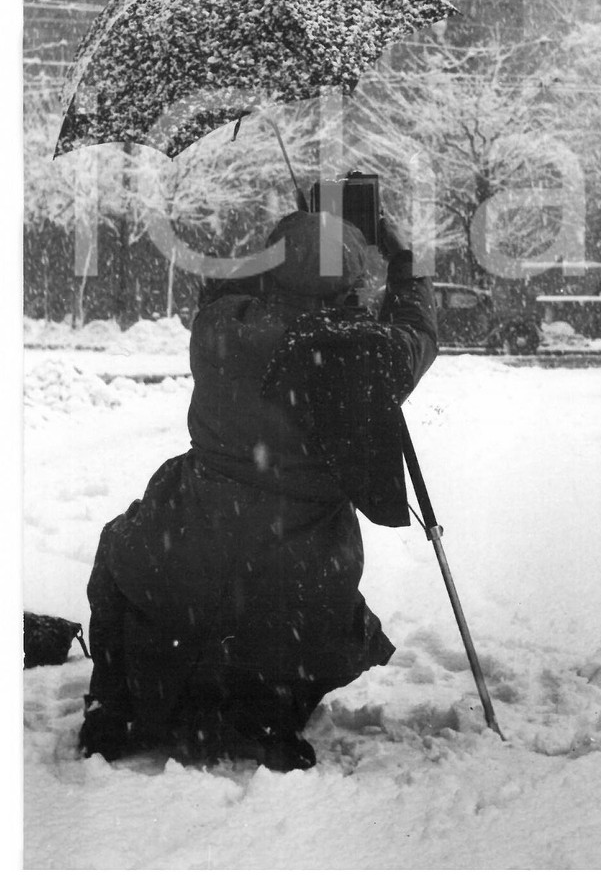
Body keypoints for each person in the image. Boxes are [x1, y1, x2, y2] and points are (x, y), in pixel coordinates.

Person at [78, 207, 437, 772]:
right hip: (298, 590)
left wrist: (291, 243)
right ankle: (262, 713)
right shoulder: (364, 353)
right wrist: (399, 263)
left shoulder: (219, 327)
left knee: (126, 543)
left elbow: (221, 284)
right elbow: (417, 332)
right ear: (348, 280)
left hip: (185, 553)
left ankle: (123, 703)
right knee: (301, 605)